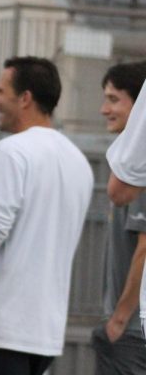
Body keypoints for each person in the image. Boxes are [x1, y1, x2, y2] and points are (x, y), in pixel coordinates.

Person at [0, 56, 93, 375]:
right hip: (43, 332)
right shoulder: (77, 161)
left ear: (25, 98)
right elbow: (36, 221)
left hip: (0, 328)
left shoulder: (12, 151)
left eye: (0, 91)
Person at [92, 61, 146, 374]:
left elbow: (144, 246)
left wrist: (120, 318)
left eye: (114, 99)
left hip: (132, 330)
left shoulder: (137, 169)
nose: (104, 109)